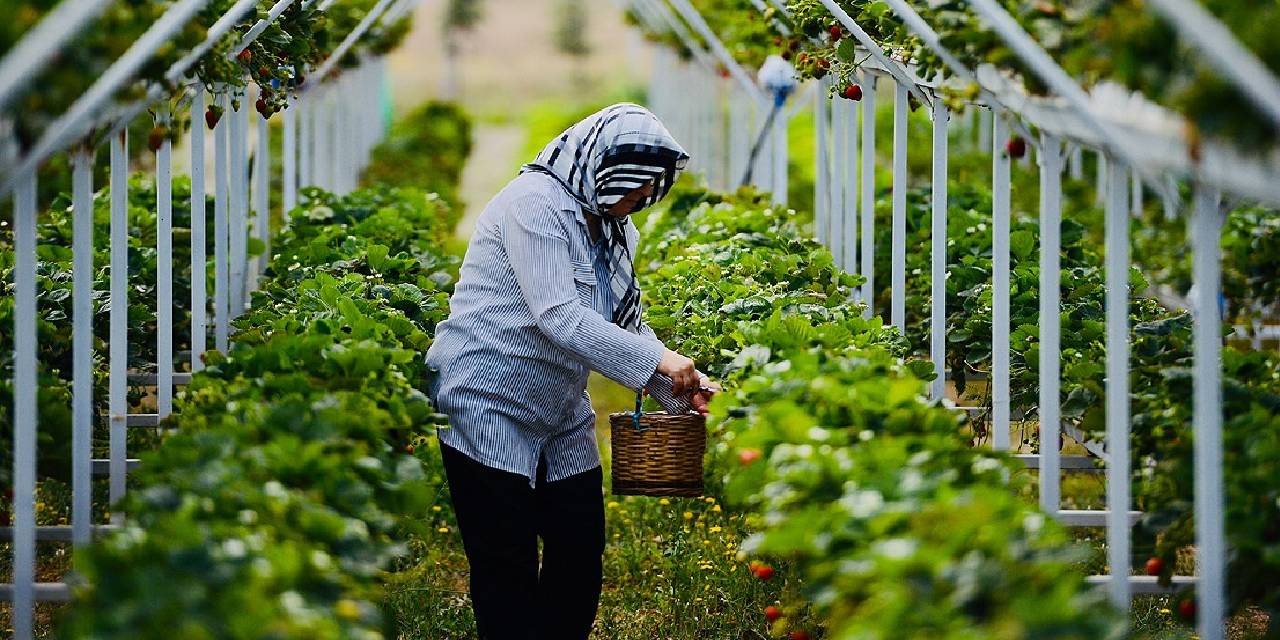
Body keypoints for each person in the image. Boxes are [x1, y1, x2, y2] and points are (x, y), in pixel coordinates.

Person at [424, 103, 718, 640]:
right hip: (487, 393)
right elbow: (559, 314)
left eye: (650, 190)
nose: (640, 201)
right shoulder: (534, 206)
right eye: (636, 186)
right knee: (506, 561)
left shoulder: (614, 229)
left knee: (579, 549)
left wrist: (682, 387)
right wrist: (656, 362)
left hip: (558, 405)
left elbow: (627, 323)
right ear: (607, 166)